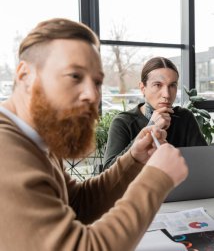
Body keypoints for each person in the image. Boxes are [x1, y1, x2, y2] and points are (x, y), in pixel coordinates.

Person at [0, 18, 188, 251]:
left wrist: (134, 160)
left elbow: (77, 204)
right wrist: (157, 178)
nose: (92, 94)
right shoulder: (5, 149)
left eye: (97, 82)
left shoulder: (35, 136)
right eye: (75, 76)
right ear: (24, 75)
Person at [103, 56, 207, 169]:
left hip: (183, 185)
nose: (167, 94)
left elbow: (205, 162)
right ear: (143, 88)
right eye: (158, 85)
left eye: (172, 85)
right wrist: (151, 127)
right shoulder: (123, 122)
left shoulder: (185, 117)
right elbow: (109, 172)